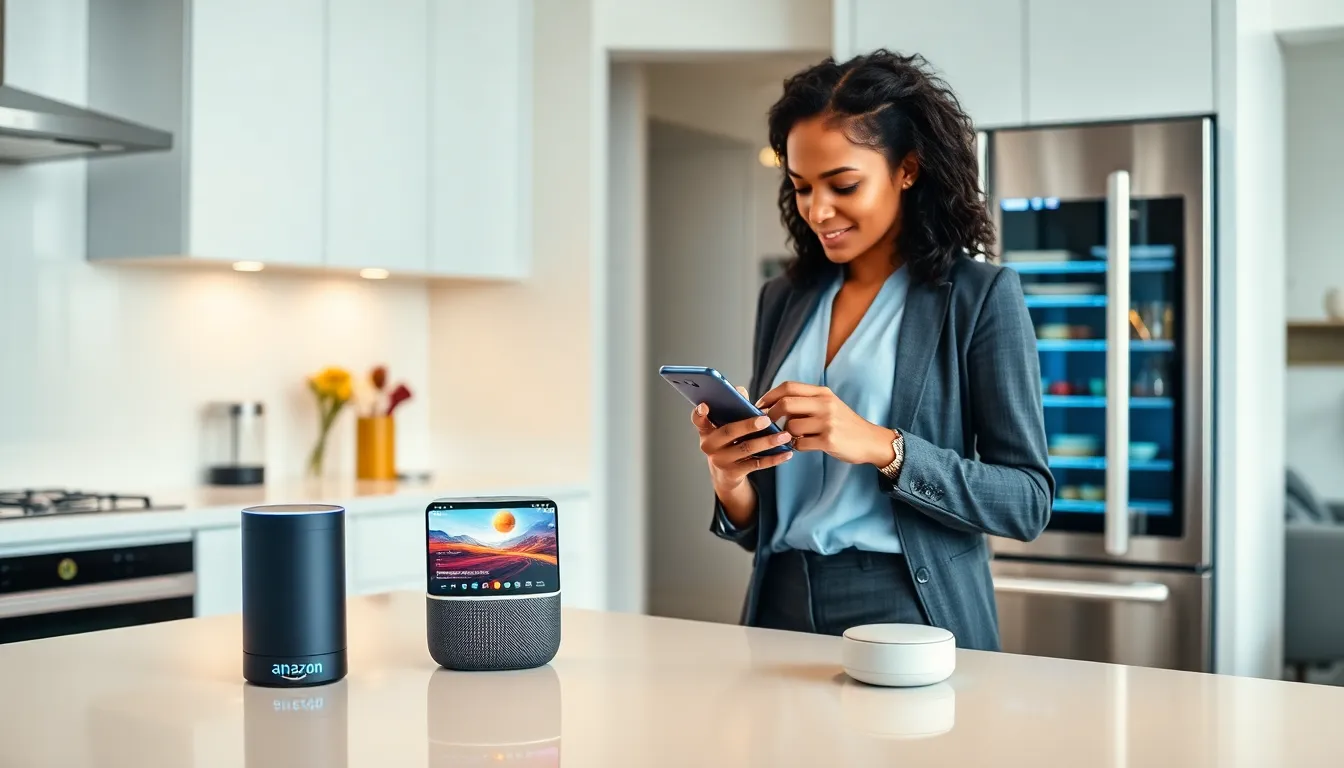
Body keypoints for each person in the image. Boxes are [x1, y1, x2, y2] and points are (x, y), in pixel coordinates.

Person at [690, 50, 1053, 650]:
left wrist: (882, 447)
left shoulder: (978, 296)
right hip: (778, 598)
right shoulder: (783, 298)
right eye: (802, 187)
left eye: (844, 185)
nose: (817, 211)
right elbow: (761, 525)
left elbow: (1027, 501)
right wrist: (730, 477)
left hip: (906, 605)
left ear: (907, 169)